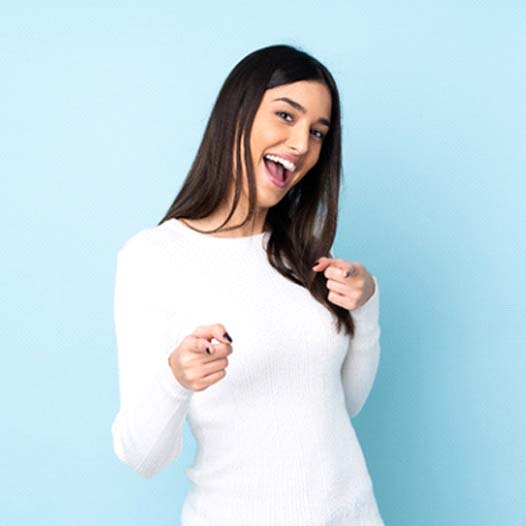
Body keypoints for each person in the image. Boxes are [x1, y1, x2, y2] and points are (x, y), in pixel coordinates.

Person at [111, 44, 385, 526]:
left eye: (318, 132)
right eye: (286, 115)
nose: (301, 144)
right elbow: (142, 456)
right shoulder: (155, 257)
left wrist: (365, 307)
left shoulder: (304, 259)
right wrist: (176, 378)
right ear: (236, 114)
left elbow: (342, 406)